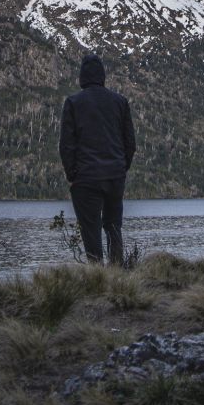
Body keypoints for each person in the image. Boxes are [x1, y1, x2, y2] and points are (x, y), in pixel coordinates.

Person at [58, 53, 136, 265]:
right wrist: (121, 168)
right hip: (114, 176)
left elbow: (66, 145)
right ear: (102, 75)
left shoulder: (73, 103)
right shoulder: (120, 102)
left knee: (90, 230)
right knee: (114, 226)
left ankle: (97, 276)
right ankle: (117, 272)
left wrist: (72, 175)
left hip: (86, 178)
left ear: (82, 76)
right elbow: (130, 143)